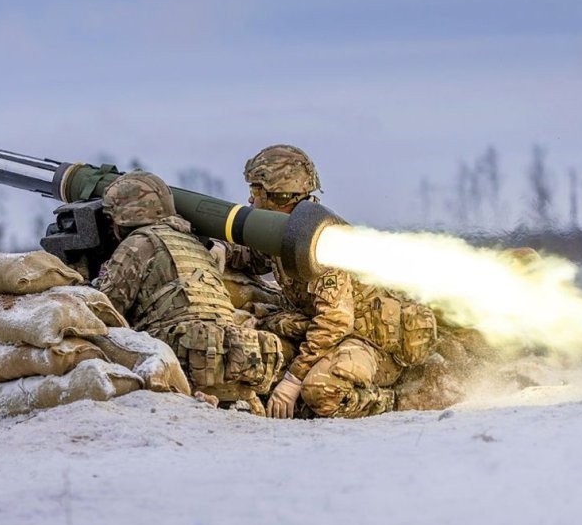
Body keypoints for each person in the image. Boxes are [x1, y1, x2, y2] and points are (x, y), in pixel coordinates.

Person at [222, 145, 438, 419]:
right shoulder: (288, 229)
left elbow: (335, 321)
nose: (250, 201)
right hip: (333, 334)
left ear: (278, 195)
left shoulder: (321, 240)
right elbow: (257, 259)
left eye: (256, 192)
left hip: (369, 342)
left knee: (321, 391)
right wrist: (222, 252)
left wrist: (293, 380)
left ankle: (399, 400)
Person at [94, 171, 282, 414]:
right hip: (234, 357)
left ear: (123, 216)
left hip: (186, 360)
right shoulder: (194, 242)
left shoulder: (139, 244)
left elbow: (106, 310)